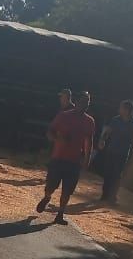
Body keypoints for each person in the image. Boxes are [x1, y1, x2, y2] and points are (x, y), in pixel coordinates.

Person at [36, 90, 96, 225]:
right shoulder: (63, 116)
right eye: (82, 102)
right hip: (58, 157)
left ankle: (60, 213)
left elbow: (89, 141)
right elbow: (49, 132)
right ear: (76, 102)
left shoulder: (89, 121)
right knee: (51, 185)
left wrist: (87, 159)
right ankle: (47, 197)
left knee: (67, 190)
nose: (84, 105)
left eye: (87, 102)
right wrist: (58, 139)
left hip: (74, 161)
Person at [97, 99, 133, 204]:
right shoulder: (116, 120)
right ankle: (105, 194)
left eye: (121, 108)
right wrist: (102, 140)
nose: (119, 109)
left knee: (117, 175)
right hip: (111, 150)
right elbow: (107, 132)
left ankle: (113, 196)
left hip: (123, 153)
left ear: (127, 110)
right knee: (108, 172)